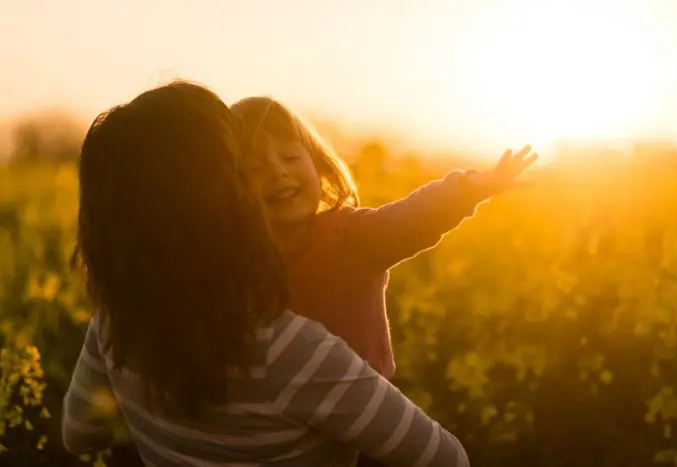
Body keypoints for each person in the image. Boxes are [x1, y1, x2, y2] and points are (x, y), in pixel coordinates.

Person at [62, 81, 470, 466]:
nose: (271, 176)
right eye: (243, 170)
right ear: (226, 201)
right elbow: (446, 459)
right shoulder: (292, 352)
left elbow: (79, 434)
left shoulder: (115, 321)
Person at [230, 96, 536, 467]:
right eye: (255, 168)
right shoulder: (242, 259)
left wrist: (471, 187)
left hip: (368, 418)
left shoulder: (351, 236)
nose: (278, 172)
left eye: (291, 158)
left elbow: (412, 216)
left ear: (319, 165)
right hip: (291, 420)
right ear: (234, 190)